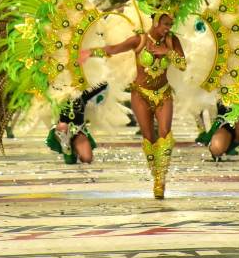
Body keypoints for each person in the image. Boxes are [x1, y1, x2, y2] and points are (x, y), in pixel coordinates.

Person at [79, 13, 186, 199]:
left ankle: (161, 179)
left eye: (171, 24)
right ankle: (155, 172)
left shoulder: (171, 40)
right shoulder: (140, 39)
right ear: (155, 22)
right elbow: (114, 49)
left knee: (165, 135)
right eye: (165, 24)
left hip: (163, 93)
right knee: (148, 137)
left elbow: (183, 64)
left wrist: (167, 52)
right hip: (140, 95)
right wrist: (91, 52)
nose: (168, 28)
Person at [47, 83, 108, 164]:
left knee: (87, 159)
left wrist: (110, 78)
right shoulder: (56, 92)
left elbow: (102, 85)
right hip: (62, 130)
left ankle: (73, 150)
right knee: (63, 127)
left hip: (78, 130)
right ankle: (66, 147)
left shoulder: (83, 93)